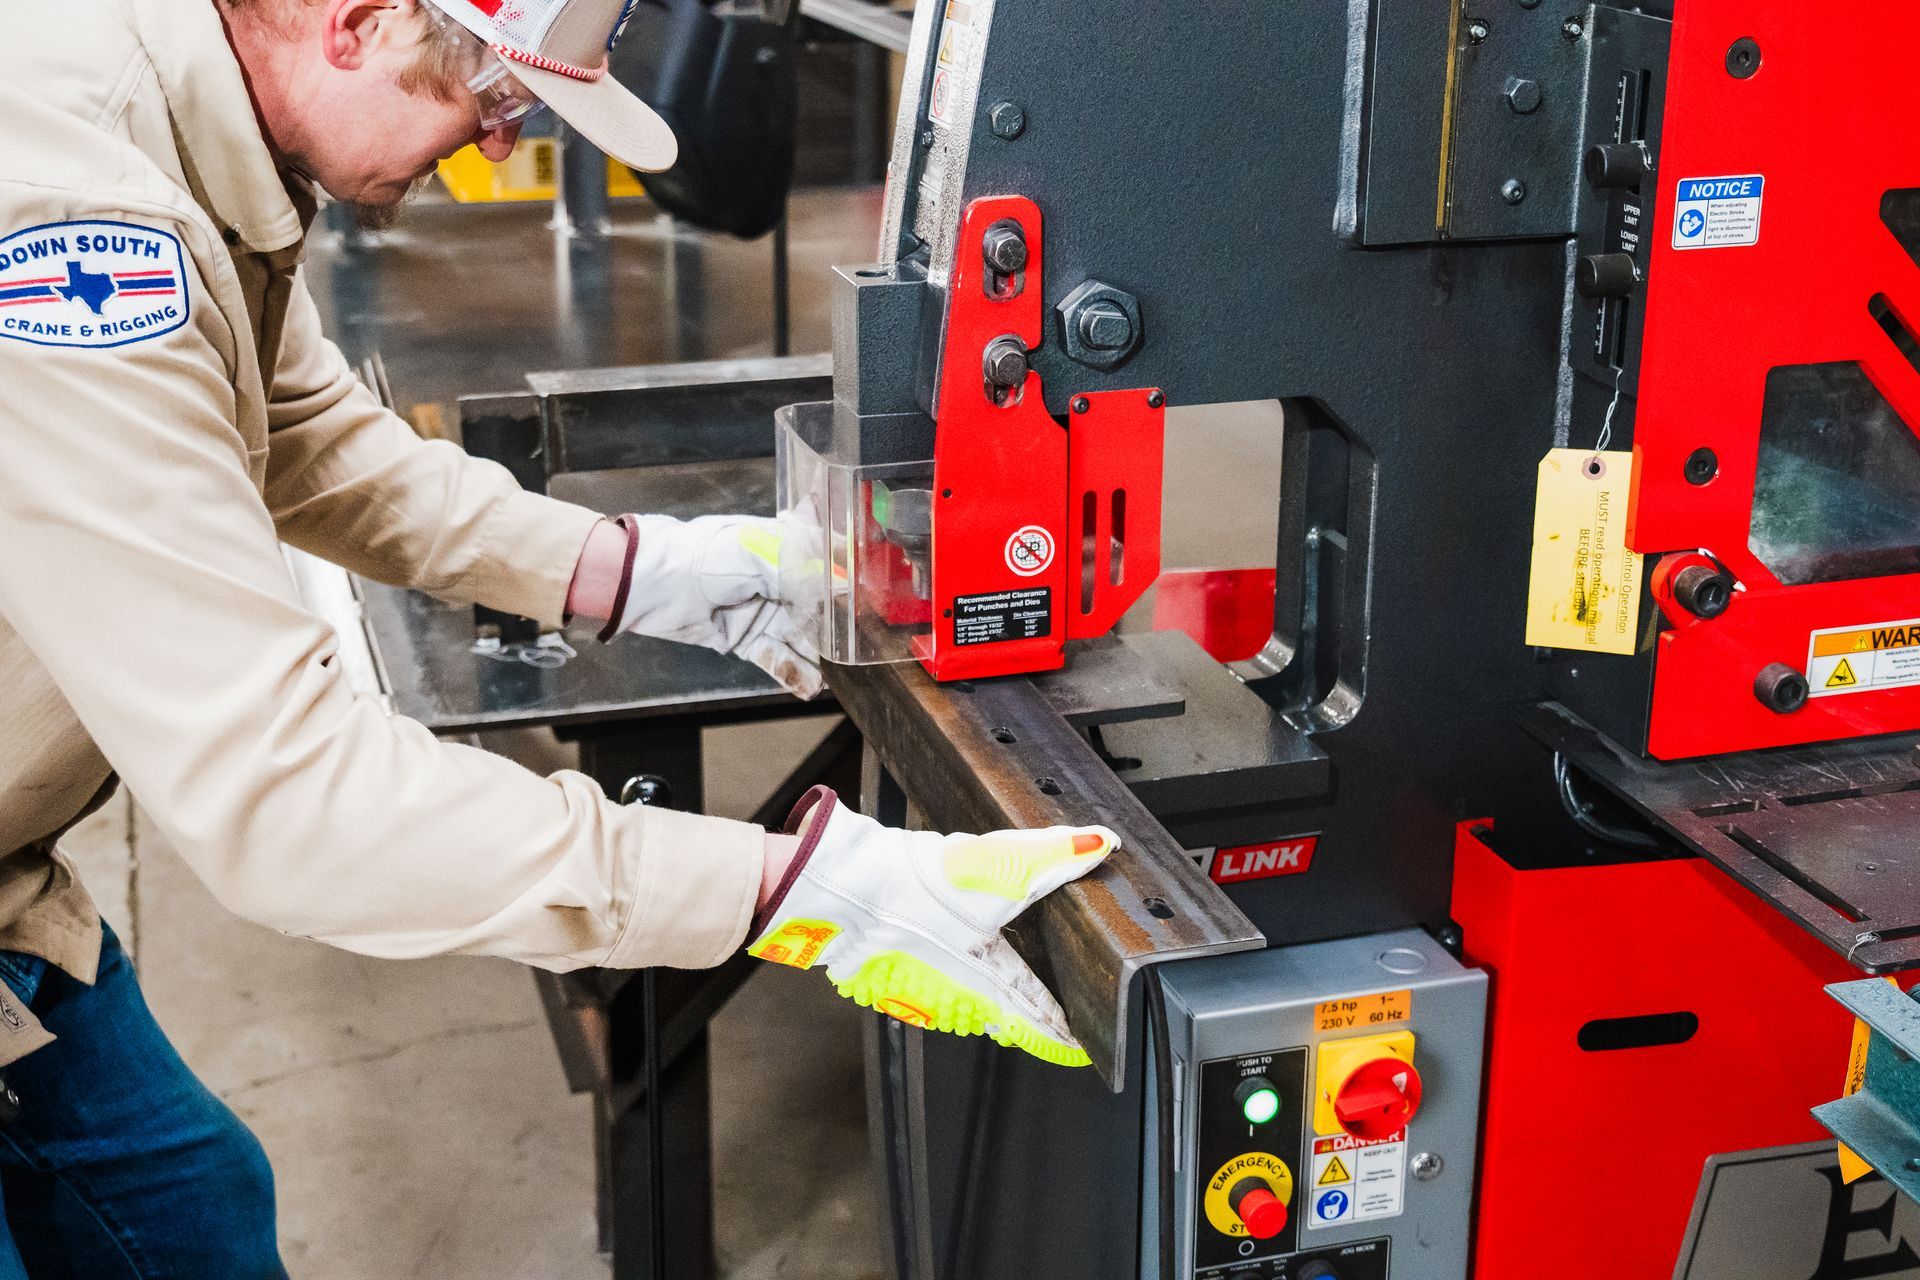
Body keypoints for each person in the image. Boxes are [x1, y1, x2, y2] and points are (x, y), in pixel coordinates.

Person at [0, 0, 1119, 1271]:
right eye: (491, 103)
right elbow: (290, 798)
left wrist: (652, 572)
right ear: (360, 24)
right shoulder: (68, 217)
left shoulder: (200, 133)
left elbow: (307, 434)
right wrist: (801, 889)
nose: (488, 152)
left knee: (193, 1212)